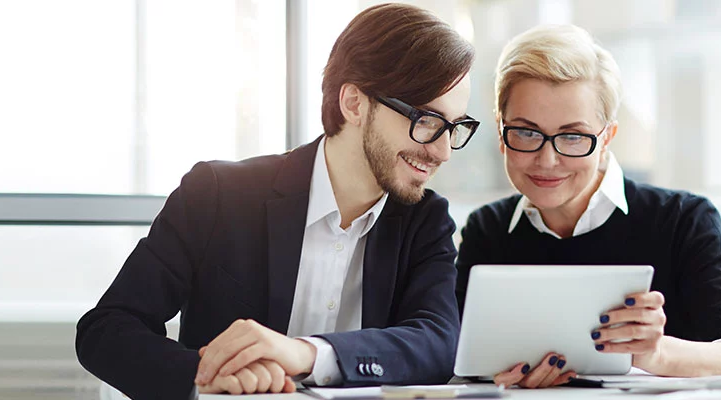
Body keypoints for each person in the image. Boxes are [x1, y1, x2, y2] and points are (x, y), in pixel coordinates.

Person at [76, 3, 480, 398]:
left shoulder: (426, 220)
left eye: (455, 126)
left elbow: (437, 342)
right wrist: (204, 377)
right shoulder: (217, 195)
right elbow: (107, 328)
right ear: (354, 103)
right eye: (427, 121)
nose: (444, 151)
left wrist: (308, 353)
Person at [454, 24, 721, 389]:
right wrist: (494, 376)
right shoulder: (487, 230)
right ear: (500, 131)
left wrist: (657, 354)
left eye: (573, 136)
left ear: (607, 137)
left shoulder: (683, 220)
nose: (547, 159)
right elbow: (458, 356)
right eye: (526, 132)